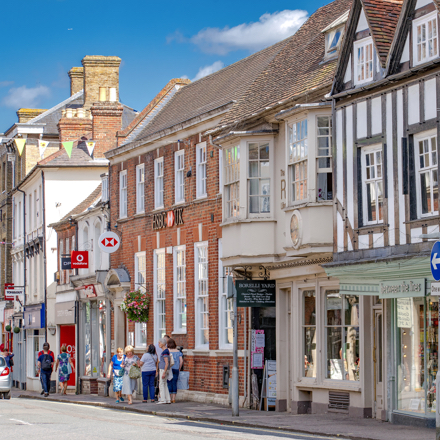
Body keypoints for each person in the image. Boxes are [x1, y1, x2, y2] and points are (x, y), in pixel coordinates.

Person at [167, 338, 183, 403]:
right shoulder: (178, 352)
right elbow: (181, 361)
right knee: (175, 383)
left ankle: (169, 397)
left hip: (169, 368)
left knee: (169, 383)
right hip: (176, 368)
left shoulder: (167, 351)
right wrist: (179, 368)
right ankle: (173, 398)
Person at [156, 337, 170, 404]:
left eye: (159, 343)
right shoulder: (165, 351)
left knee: (161, 384)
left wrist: (164, 372)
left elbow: (166, 363)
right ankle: (167, 399)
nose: (158, 344)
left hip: (163, 369)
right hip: (163, 369)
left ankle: (163, 400)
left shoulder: (165, 352)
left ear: (163, 344)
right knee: (164, 384)